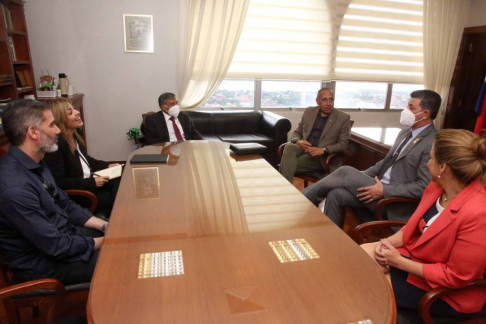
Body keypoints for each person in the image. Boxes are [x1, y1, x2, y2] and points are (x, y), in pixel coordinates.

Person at [362, 129, 486, 317]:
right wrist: (388, 243)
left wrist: (398, 262)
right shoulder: (436, 187)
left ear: (442, 167)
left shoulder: (479, 212)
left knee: (367, 284)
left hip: (447, 293)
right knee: (358, 258)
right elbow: (410, 228)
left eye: (431, 158)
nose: (428, 164)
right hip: (417, 261)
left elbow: (455, 277)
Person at [0, 99, 107, 285]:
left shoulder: (37, 161)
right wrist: (105, 242)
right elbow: (57, 246)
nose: (58, 130)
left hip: (66, 238)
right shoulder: (15, 188)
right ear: (33, 132)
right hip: (46, 265)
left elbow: (65, 204)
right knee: (121, 260)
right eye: (52, 125)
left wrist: (105, 226)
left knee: (127, 239)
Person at [304, 90, 441, 226]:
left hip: (393, 202)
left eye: (411, 107)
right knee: (336, 193)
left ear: (425, 114)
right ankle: (332, 241)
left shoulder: (431, 142)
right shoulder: (406, 132)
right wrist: (359, 177)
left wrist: (385, 191)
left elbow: (423, 187)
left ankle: (302, 200)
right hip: (377, 187)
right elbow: (386, 162)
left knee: (345, 172)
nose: (406, 110)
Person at [43, 98, 120, 216]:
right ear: (60, 120)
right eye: (70, 112)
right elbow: (59, 182)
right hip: (80, 193)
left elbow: (85, 160)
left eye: (74, 109)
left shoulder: (76, 134)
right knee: (118, 198)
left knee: (119, 181)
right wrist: (91, 182)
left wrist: (107, 165)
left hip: (90, 182)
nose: (77, 112)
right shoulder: (56, 147)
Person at [279, 88, 350, 183]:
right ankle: (286, 192)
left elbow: (343, 144)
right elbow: (297, 132)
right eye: (324, 100)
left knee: (286, 165)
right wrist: (297, 141)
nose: (328, 103)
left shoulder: (343, 118)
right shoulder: (309, 112)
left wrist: (323, 150)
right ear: (318, 101)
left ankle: (284, 192)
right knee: (289, 147)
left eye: (331, 99)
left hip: (321, 157)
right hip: (305, 148)